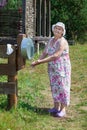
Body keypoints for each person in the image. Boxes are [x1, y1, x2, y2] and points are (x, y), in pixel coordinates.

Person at [31, 22, 71, 118]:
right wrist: (38, 59)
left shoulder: (62, 41)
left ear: (62, 32)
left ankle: (63, 109)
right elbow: (45, 52)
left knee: (62, 87)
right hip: (52, 68)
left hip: (62, 68)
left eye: (60, 29)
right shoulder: (51, 40)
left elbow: (55, 55)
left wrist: (39, 62)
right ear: (53, 29)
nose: (57, 30)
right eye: (56, 28)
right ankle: (56, 107)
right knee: (54, 86)